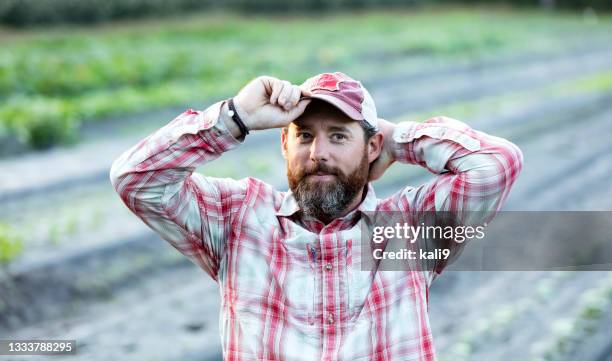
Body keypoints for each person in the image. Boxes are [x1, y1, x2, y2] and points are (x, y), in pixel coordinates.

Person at [110, 71, 523, 360]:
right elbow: (136, 180)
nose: (318, 153)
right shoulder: (238, 219)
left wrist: (399, 140)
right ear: (284, 146)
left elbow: (496, 163)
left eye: (339, 136)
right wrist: (233, 118)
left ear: (371, 147)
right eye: (304, 135)